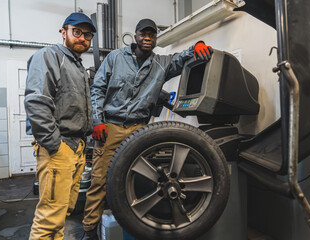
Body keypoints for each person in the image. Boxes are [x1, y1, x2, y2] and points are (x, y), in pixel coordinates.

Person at [81, 18, 213, 239]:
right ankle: (89, 230)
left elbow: (181, 58)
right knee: (99, 181)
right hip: (111, 128)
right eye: (144, 34)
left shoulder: (161, 63)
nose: (148, 38)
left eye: (152, 34)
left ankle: (131, 226)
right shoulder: (115, 58)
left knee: (135, 181)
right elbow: (97, 89)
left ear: (155, 38)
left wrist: (197, 45)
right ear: (136, 36)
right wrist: (98, 121)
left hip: (139, 131)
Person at [24, 12, 96, 240]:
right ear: (64, 32)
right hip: (60, 148)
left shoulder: (77, 66)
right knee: (48, 219)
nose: (82, 38)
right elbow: (37, 102)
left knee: (62, 212)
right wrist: (55, 145)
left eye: (87, 35)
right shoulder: (50, 56)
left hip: (75, 148)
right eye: (77, 32)